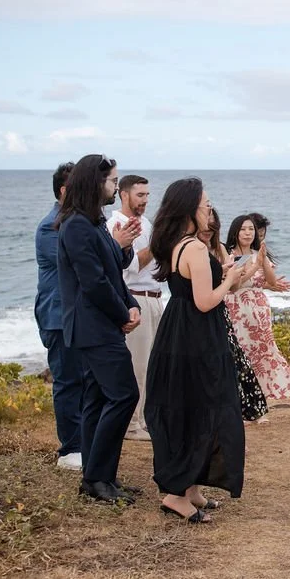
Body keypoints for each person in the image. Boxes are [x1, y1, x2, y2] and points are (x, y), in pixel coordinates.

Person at [145, 178, 247, 523]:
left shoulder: (179, 243)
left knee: (192, 404)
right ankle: (176, 495)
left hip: (180, 330)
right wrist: (229, 281)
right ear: (190, 208)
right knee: (204, 405)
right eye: (206, 204)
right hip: (197, 335)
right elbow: (205, 302)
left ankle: (190, 488)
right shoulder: (195, 248)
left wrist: (224, 275)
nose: (210, 209)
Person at [56, 154, 141, 504]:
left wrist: (131, 304)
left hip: (101, 323)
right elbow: (93, 282)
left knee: (97, 399)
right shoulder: (76, 225)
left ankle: (96, 478)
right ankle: (98, 477)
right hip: (93, 327)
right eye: (113, 181)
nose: (116, 187)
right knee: (124, 395)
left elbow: (112, 271)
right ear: (96, 183)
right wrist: (122, 314)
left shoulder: (95, 222)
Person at [224, 214, 290, 403]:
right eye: (243, 229)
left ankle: (261, 399)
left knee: (263, 350)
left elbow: (271, 280)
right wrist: (255, 266)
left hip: (258, 308)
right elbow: (234, 284)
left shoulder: (258, 253)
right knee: (239, 351)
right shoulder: (229, 254)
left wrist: (263, 260)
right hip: (236, 307)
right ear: (235, 232)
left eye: (251, 229)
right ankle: (240, 399)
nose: (248, 233)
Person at [35, 161, 83, 470]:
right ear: (65, 191)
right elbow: (79, 266)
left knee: (85, 381)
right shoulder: (49, 227)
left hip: (79, 316)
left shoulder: (81, 224)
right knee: (67, 382)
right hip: (58, 316)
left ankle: (84, 445)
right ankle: (70, 450)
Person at [106, 174, 162, 441]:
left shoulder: (146, 223)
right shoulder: (115, 224)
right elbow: (128, 267)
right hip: (135, 297)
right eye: (140, 195)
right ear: (124, 194)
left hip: (155, 296)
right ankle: (131, 425)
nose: (145, 200)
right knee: (137, 365)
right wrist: (158, 245)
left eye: (147, 195)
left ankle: (144, 419)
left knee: (152, 365)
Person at [201, 208, 269, 425]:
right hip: (213, 307)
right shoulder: (193, 249)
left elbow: (234, 285)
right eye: (205, 223)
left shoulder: (220, 248)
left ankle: (250, 409)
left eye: (213, 225)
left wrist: (252, 267)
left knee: (240, 360)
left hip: (223, 307)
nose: (208, 229)